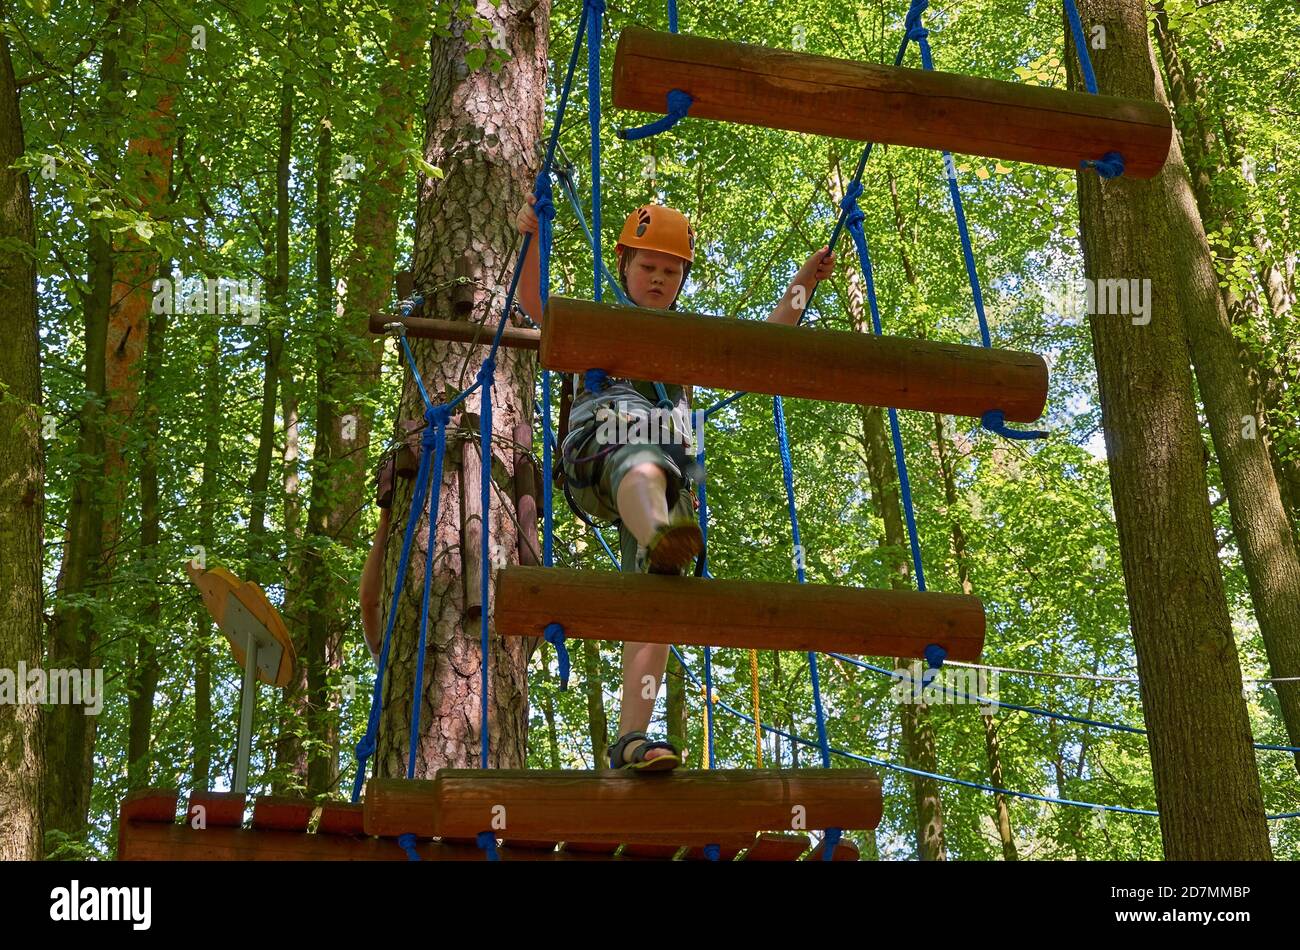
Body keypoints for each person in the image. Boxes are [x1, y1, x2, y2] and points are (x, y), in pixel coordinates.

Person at [512, 192, 835, 770]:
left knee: (660, 602)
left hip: (658, 475)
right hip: (601, 450)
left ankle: (631, 739)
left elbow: (765, 341)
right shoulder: (599, 324)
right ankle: (661, 535)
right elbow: (535, 302)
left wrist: (803, 282)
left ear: (682, 278)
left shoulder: (690, 347)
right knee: (642, 457)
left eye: (670, 270)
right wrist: (533, 237)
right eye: (647, 267)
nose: (659, 279)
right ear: (624, 269)